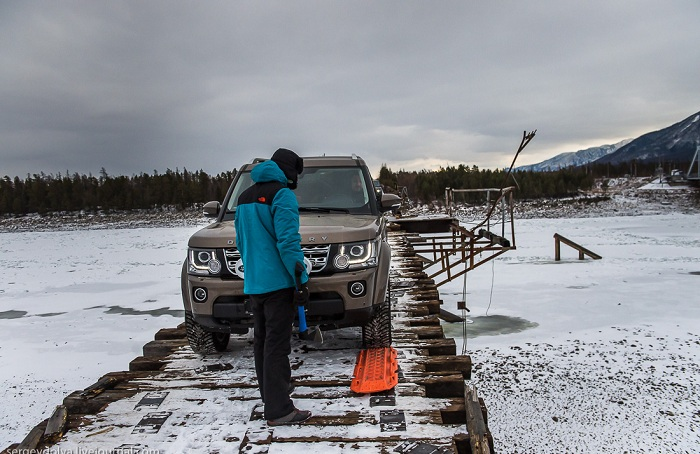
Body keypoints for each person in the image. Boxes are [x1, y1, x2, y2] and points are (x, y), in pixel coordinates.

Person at [234, 148, 312, 426]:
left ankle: (271, 394)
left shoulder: (244, 198)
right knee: (277, 346)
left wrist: (254, 272)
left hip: (255, 282)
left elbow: (242, 242)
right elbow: (288, 242)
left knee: (263, 342)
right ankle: (280, 410)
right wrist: (300, 280)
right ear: (290, 171)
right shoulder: (282, 195)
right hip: (279, 283)